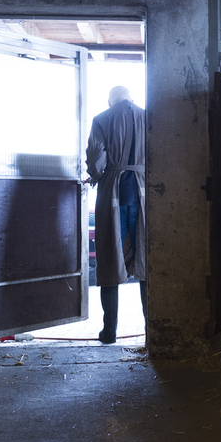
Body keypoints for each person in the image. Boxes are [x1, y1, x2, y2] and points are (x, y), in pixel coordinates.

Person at [84, 85, 147, 344]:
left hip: (114, 194)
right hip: (143, 193)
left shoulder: (102, 118)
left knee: (109, 258)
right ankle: (152, 331)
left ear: (111, 101)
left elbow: (96, 159)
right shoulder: (148, 116)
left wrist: (97, 175)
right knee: (145, 261)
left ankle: (109, 331)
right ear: (130, 98)